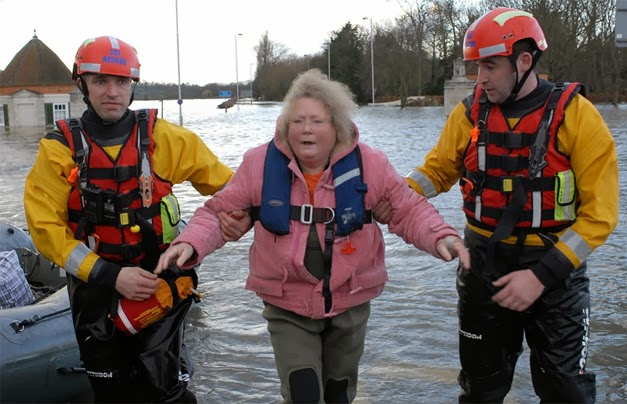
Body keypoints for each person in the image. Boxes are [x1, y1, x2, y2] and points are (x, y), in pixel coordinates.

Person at [155, 68, 471, 403]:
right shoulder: (259, 164)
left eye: (317, 121)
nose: (306, 129)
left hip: (350, 298)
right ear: (285, 127)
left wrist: (443, 238)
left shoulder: (371, 164)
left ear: (336, 127)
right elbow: (217, 214)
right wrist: (189, 242)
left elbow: (409, 210)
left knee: (338, 393)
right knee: (303, 392)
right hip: (286, 302)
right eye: (297, 121)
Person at [376, 7, 618, 403]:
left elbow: (600, 217)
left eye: (489, 66)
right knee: (481, 390)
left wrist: (539, 276)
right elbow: (435, 172)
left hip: (555, 277)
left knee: (565, 391)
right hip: (482, 268)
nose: (480, 78)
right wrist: (391, 199)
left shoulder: (577, 116)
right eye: (476, 67)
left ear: (524, 61)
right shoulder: (470, 112)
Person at [24, 35, 249, 403]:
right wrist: (111, 276)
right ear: (82, 84)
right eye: (100, 81)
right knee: (110, 390)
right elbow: (45, 228)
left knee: (164, 390)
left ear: (132, 86)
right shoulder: (58, 149)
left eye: (122, 82)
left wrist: (238, 219)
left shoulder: (164, 138)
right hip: (95, 290)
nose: (112, 91)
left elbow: (233, 188)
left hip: (157, 284)